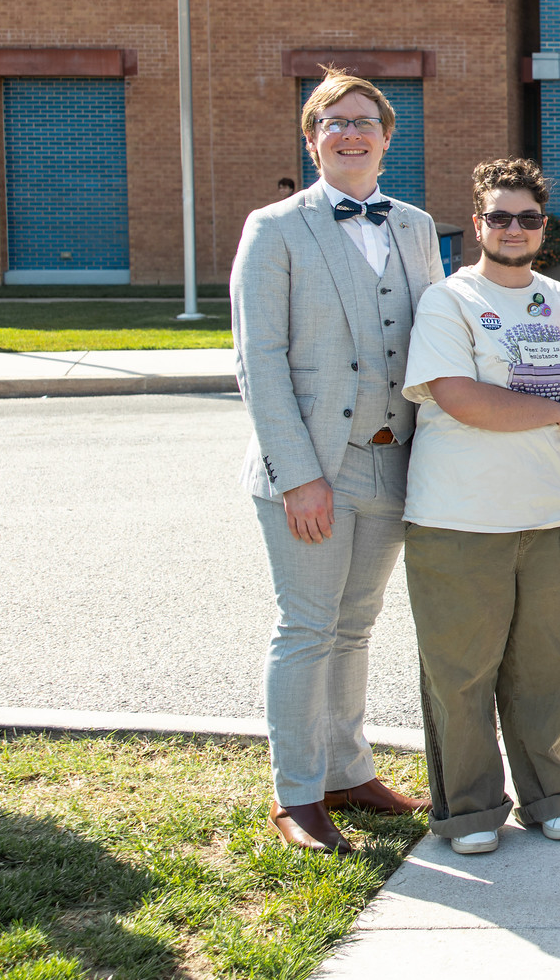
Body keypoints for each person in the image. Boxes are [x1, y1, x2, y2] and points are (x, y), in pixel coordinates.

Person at [232, 70, 442, 854]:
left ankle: (348, 772)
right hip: (313, 466)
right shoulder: (275, 228)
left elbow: (435, 336)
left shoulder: (416, 226)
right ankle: (296, 794)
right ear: (311, 139)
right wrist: (298, 476)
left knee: (355, 626)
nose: (350, 134)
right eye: (333, 122)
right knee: (307, 627)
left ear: (387, 139)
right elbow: (259, 359)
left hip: (395, 461)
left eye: (364, 122)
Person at [400, 158, 560, 856]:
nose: (514, 229)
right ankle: (470, 810)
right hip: (460, 519)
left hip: (555, 518)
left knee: (546, 672)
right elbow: (461, 397)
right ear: (478, 223)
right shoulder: (448, 300)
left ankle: (556, 796)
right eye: (499, 217)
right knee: (460, 676)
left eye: (528, 218)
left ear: (544, 227)